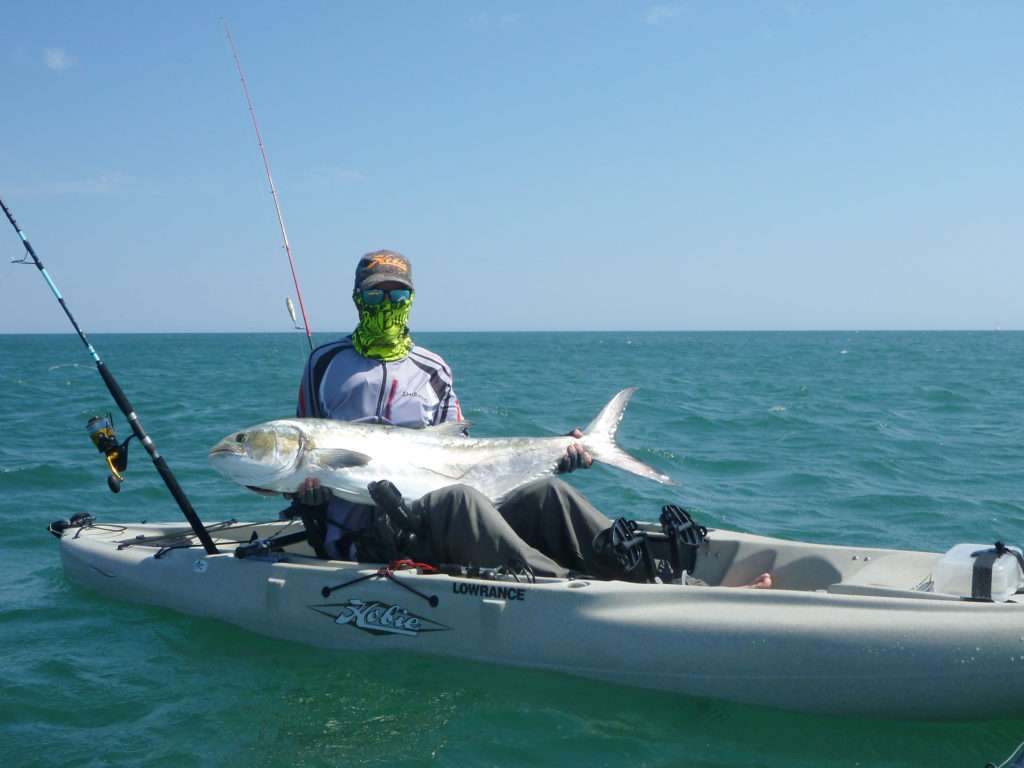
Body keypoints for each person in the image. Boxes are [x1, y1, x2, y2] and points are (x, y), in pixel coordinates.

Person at [291, 249, 615, 578]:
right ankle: (559, 586)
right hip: (360, 537)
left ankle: (637, 570)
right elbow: (297, 458)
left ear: (411, 298)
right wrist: (308, 493)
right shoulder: (324, 364)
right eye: (375, 295)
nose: (387, 304)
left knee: (548, 494)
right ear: (357, 299)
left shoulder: (434, 369)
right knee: (460, 500)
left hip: (428, 518)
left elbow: (462, 456)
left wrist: (555, 453)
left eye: (398, 294)